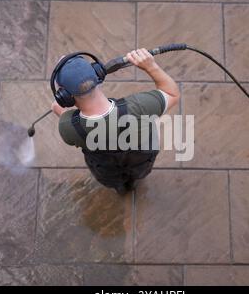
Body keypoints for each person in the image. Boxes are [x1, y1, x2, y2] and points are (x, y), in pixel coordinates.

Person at [52, 48, 179, 195]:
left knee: (113, 181)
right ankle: (135, 182)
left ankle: (120, 189)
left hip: (106, 170)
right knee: (140, 173)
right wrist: (151, 66)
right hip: (142, 160)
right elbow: (172, 94)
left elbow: (66, 119)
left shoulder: (67, 127)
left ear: (64, 96)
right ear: (98, 74)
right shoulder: (140, 107)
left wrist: (60, 111)